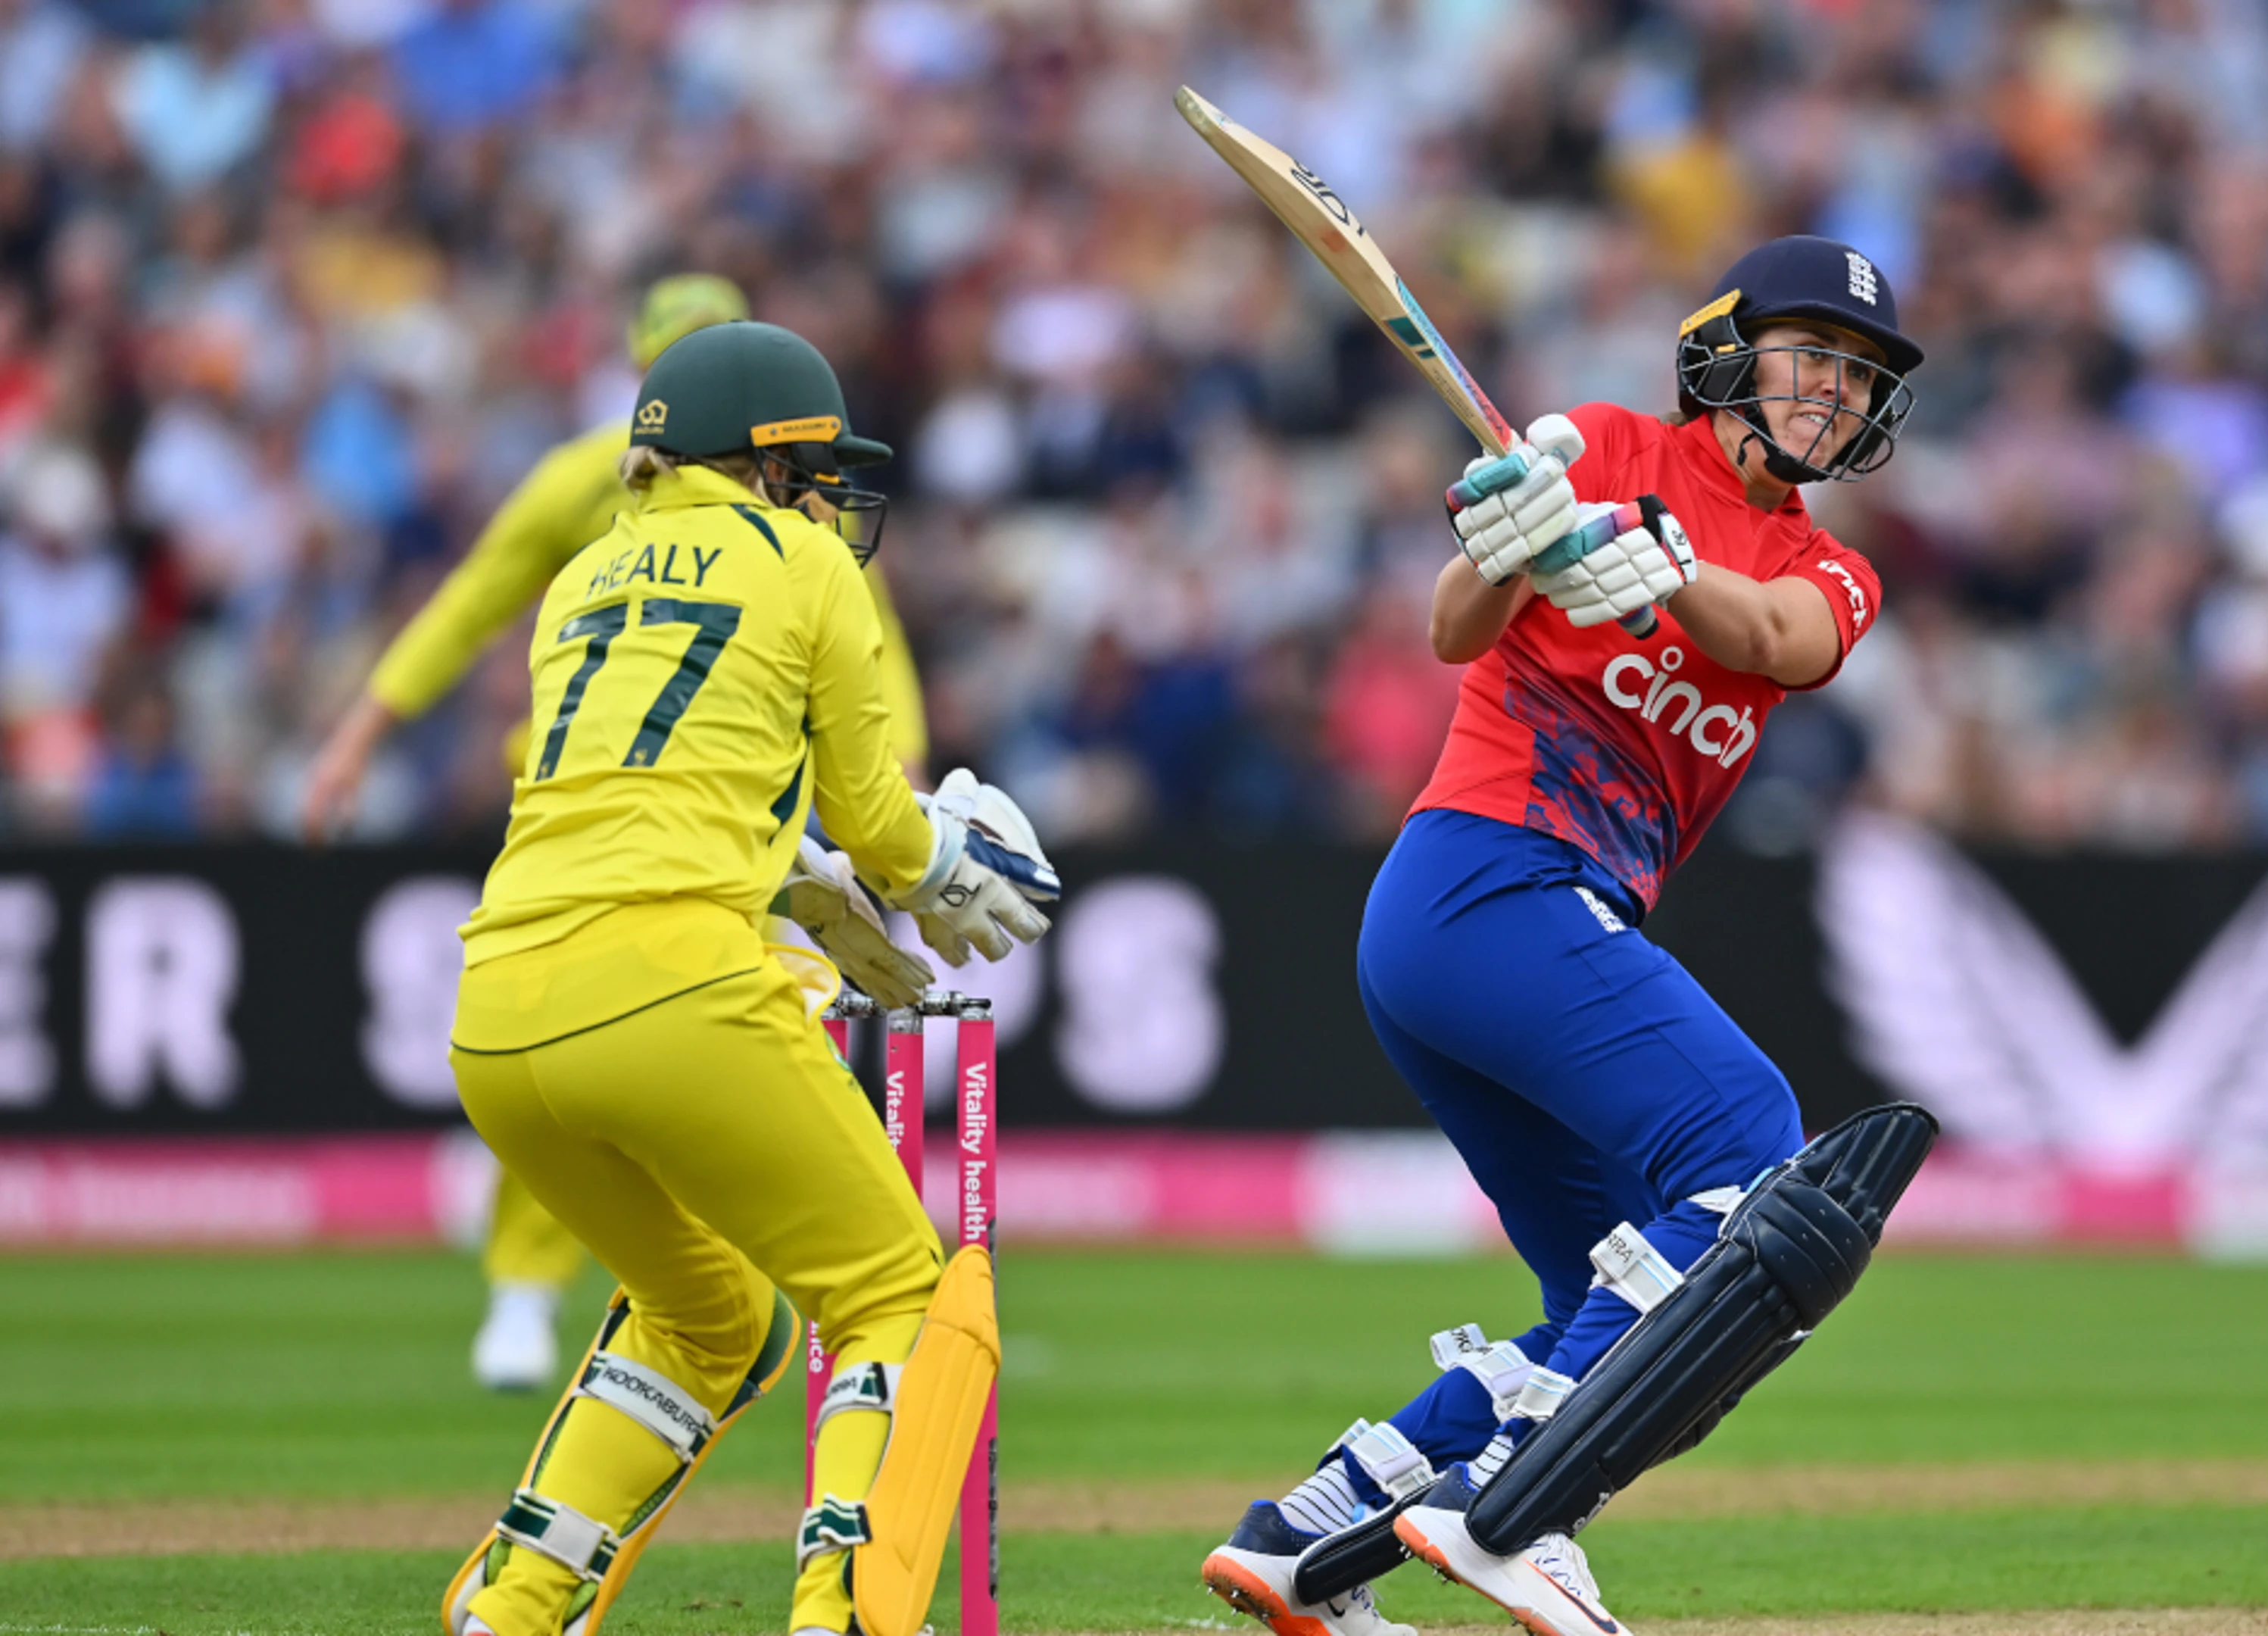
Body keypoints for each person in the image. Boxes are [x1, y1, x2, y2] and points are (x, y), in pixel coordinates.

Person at [1200, 236, 1921, 1636]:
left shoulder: (1830, 569)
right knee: (1749, 1147)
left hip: (1497, 919)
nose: (1832, 390)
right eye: (1810, 354)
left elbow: (1774, 638)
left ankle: (1308, 1541)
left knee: (1624, 1305)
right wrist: (1513, 534)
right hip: (1488, 879)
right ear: (1729, 351)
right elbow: (1454, 628)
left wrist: (1654, 567)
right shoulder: (1596, 444)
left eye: (1857, 373)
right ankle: (1514, 1511)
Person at [439, 320, 1059, 1636]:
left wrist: (797, 881)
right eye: (819, 465)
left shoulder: (584, 580)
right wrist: (952, 859)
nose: (833, 492)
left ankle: (519, 1601)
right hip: (675, 991)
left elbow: (648, 791)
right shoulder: (805, 564)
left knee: (713, 1319)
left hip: (495, 1015)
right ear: (768, 460)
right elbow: (884, 827)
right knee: (897, 1296)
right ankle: (839, 1615)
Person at [299, 274, 937, 1393]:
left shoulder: (597, 554)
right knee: (887, 1279)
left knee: (572, 1026)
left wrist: (360, 732)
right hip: (663, 867)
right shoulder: (778, 545)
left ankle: (558, 1448)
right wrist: (918, 834)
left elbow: (482, 605)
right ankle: (528, 1290)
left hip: (567, 902)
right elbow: (469, 601)